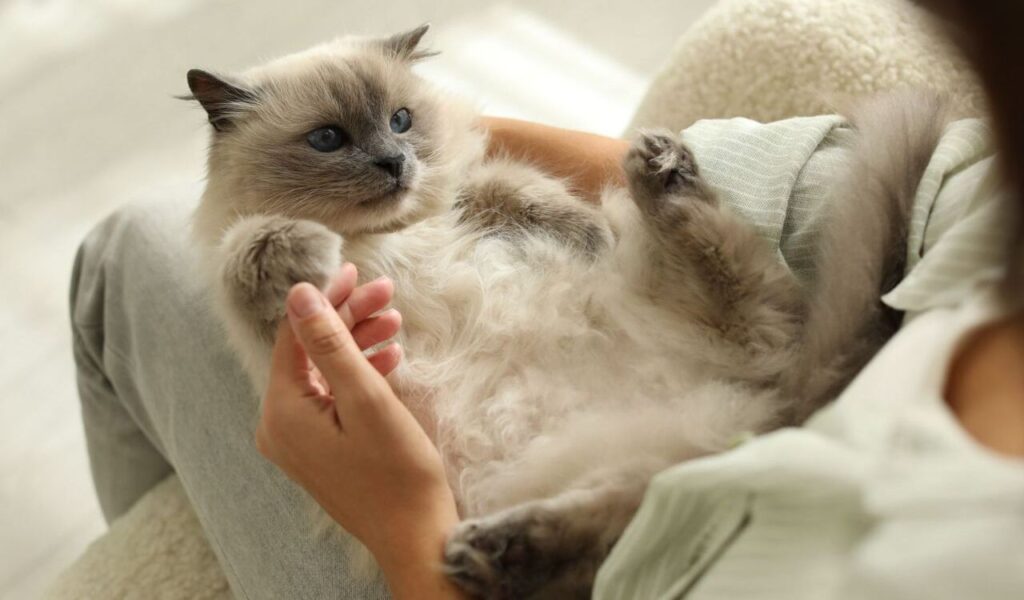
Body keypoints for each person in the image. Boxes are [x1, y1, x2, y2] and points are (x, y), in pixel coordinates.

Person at [71, 1, 1023, 598]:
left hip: (478, 529)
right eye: (337, 141)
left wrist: (408, 533)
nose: (392, 156)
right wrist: (462, 153)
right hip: (673, 396)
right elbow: (928, 184)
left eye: (400, 125)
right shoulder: (988, 223)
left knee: (121, 256)